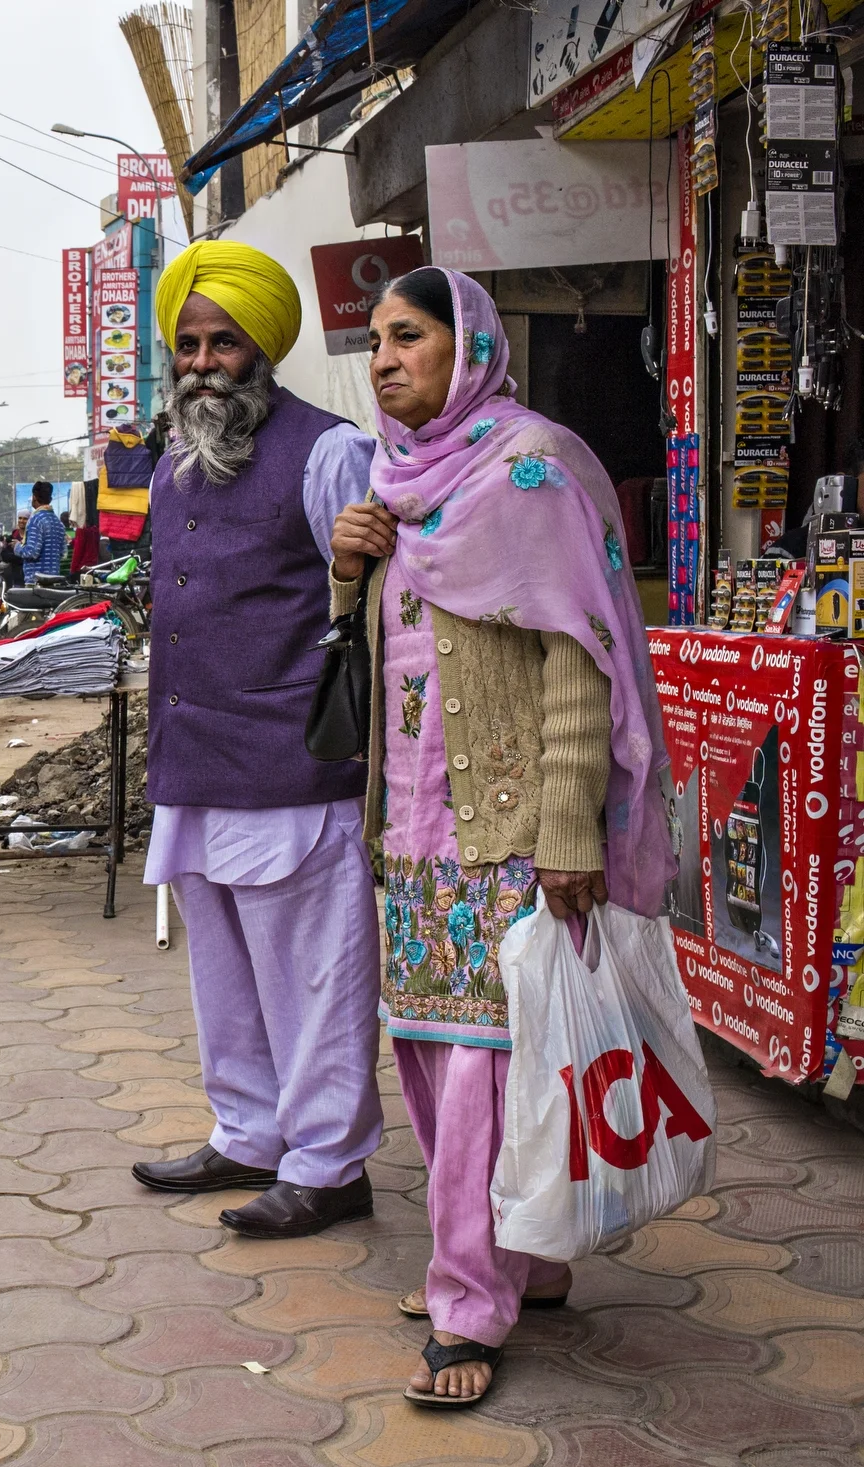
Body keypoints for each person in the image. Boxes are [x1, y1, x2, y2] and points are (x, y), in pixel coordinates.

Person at [328, 267, 673, 1408]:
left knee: (484, 1070)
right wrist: (350, 571)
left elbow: (582, 667)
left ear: (467, 346)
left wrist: (569, 826)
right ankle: (521, 1255)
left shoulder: (529, 471)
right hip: (413, 833)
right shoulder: (398, 489)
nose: (383, 359)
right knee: (432, 1057)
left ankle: (468, 1302)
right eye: (374, 340)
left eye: (408, 336)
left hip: (509, 832)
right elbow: (372, 665)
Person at [131, 239, 385, 1240]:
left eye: (222, 343)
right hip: (194, 757)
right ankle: (246, 1130)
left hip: (293, 756)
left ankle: (329, 1163)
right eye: (188, 344)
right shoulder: (171, 468)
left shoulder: (329, 452)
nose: (201, 362)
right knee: (222, 967)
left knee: (312, 970)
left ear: (261, 352)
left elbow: (374, 607)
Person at [19, 482, 67, 581]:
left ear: (34, 497)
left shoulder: (36, 519)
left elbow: (31, 552)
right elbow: (63, 553)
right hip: (54, 578)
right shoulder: (58, 522)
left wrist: (16, 547)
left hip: (36, 581)